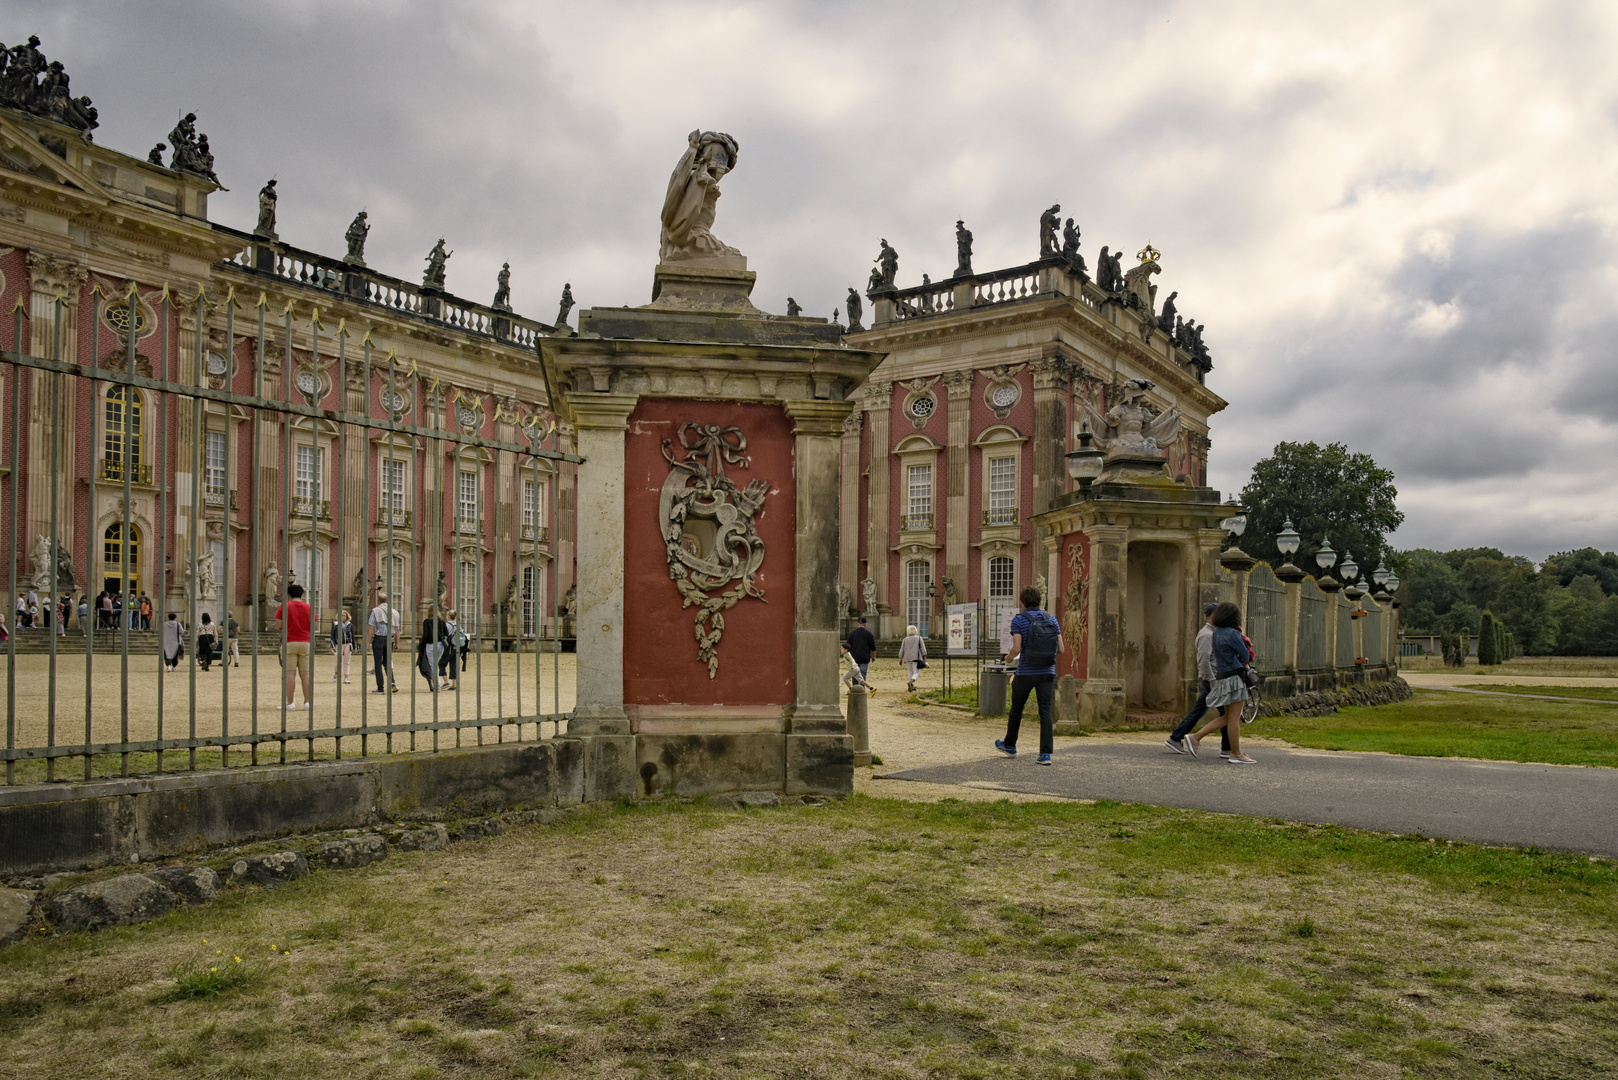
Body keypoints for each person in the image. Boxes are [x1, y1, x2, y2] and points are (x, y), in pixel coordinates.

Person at [994, 585, 1065, 766]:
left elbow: (1017, 648)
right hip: (1047, 672)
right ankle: (1046, 754)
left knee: (1017, 708)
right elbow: (1062, 649)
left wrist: (1008, 658)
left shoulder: (1019, 620)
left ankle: (1010, 745)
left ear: (1022, 602)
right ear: (1040, 601)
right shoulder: (1052, 620)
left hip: (1026, 672)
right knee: (1045, 711)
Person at [1187, 602, 1257, 764]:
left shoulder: (1216, 633)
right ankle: (1235, 753)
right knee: (1234, 718)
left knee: (1227, 717)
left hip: (1222, 676)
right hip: (1235, 677)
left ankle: (1195, 738)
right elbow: (1246, 657)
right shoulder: (1233, 634)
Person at [1166, 603, 1231, 757]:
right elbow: (1203, 661)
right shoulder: (1206, 635)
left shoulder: (1213, 633)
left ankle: (1176, 737)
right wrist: (1213, 681)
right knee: (1227, 713)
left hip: (1211, 679)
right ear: (1213, 616)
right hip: (1211, 680)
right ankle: (1227, 748)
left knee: (1202, 711)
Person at [275, 583, 314, 709]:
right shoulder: (309, 607)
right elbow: (315, 626)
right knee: (306, 674)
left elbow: (278, 626)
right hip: (305, 642)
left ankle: (290, 703)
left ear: (288, 595)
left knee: (290, 674)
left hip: (289, 642)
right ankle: (307, 702)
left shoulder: (284, 607)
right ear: (302, 594)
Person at [368, 591, 400, 694]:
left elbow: (371, 628)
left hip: (379, 639)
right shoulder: (394, 612)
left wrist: (367, 643)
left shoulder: (376, 611)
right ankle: (392, 682)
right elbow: (397, 630)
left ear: (378, 601)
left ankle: (380, 688)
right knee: (387, 662)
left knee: (378, 663)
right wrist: (397, 643)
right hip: (389, 640)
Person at [418, 612, 449, 692]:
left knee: (432, 665)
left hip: (430, 645)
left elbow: (425, 635)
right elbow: (447, 633)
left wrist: (422, 645)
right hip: (440, 645)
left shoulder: (427, 621)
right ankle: (437, 686)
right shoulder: (441, 621)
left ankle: (437, 687)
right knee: (435, 664)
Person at [438, 610, 464, 690]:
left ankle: (446, 682)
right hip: (456, 648)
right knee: (454, 665)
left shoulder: (447, 625)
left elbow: (444, 636)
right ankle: (454, 684)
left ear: (448, 617)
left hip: (448, 648)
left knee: (441, 664)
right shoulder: (458, 625)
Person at [846, 616, 876, 683]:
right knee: (862, 674)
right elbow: (872, 646)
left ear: (857, 623)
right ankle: (862, 688)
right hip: (864, 657)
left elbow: (848, 645)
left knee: (855, 673)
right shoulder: (868, 633)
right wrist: (874, 656)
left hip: (854, 656)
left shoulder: (852, 633)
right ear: (865, 624)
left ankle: (855, 688)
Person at [899, 624, 927, 692]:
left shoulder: (905, 639)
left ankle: (912, 686)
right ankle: (911, 682)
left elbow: (902, 649)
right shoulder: (919, 638)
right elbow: (923, 648)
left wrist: (900, 658)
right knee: (916, 672)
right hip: (916, 657)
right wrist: (925, 657)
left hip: (907, 658)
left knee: (910, 672)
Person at [330, 609, 355, 683]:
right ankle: (336, 674)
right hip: (338, 644)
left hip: (348, 644)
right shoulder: (335, 624)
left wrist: (354, 646)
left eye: (344, 615)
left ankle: (346, 677)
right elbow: (332, 636)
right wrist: (333, 645)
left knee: (347, 661)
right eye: (342, 615)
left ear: (347, 616)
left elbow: (352, 636)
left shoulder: (350, 625)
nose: (343, 617)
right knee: (338, 661)